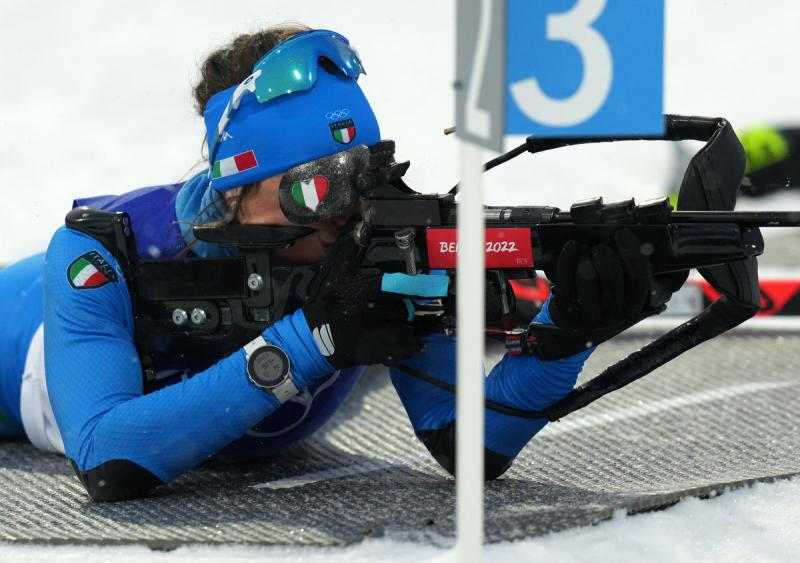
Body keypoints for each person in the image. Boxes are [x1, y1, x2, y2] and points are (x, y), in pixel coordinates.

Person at [0, 25, 658, 502]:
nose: (345, 216)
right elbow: (109, 459)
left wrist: (567, 330)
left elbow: (467, 442)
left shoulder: (380, 243)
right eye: (315, 188)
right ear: (232, 186)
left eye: (362, 178)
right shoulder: (102, 249)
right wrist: (315, 339)